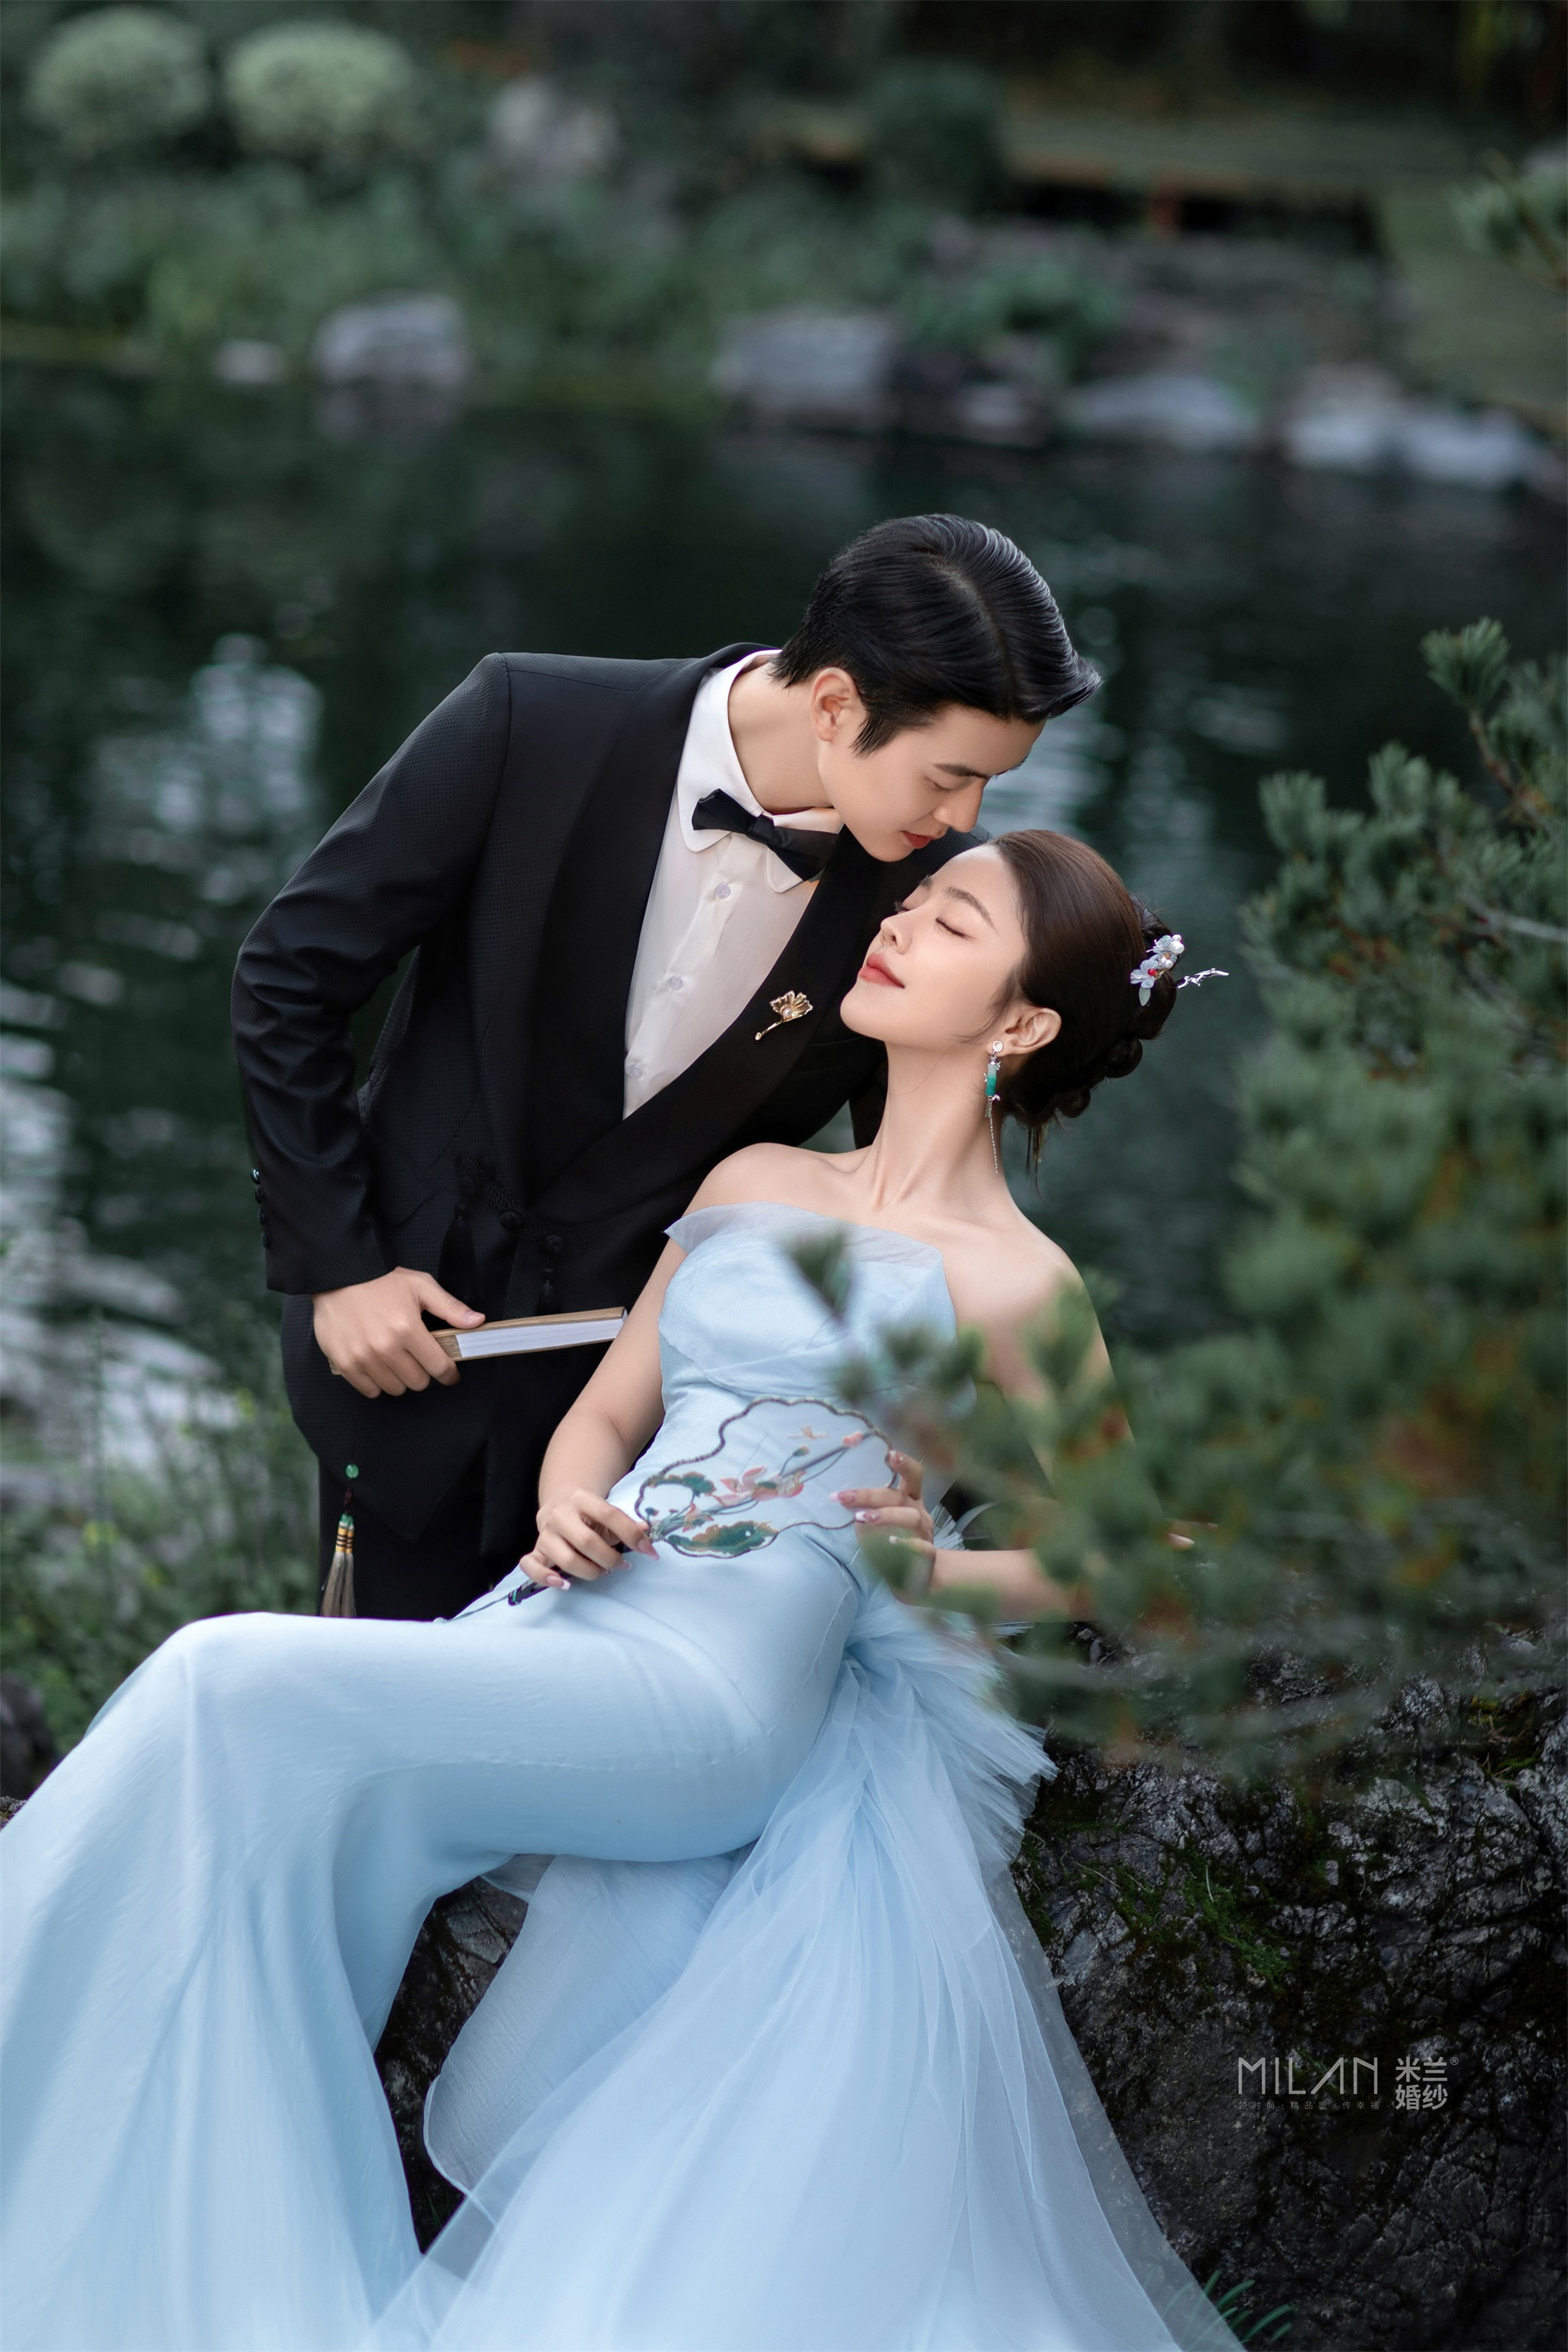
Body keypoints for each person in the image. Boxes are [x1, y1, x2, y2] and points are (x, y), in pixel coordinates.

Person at [2, 831, 1244, 2352]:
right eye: (914, 898)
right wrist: (564, 1496)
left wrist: (930, 1567)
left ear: (1025, 1021)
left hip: (722, 1692)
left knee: (220, 1679)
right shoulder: (757, 1176)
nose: (901, 923)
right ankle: (203, 2234)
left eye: (953, 918)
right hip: (575, 1608)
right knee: (285, 1801)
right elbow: (607, 1413)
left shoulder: (1016, 1278)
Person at [232, 514, 1099, 1621]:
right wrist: (339, 1264)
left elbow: (909, 1201)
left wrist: (937, 1468)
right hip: (407, 1352)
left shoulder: (921, 902)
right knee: (378, 1702)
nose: (967, 818)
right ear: (836, 705)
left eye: (989, 783)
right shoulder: (527, 719)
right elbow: (290, 976)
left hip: (665, 1445)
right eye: (950, 774)